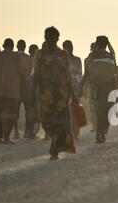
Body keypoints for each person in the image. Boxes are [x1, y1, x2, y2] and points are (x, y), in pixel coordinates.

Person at [33, 27, 77, 159]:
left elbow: (67, 76)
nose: (50, 39)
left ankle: (54, 148)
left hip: (61, 93)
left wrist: (73, 95)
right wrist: (32, 92)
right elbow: (36, 74)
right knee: (46, 121)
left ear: (57, 38)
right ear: (45, 37)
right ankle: (55, 144)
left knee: (59, 121)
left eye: (53, 37)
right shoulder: (39, 54)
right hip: (45, 93)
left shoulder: (63, 54)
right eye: (48, 36)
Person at [80, 35, 117, 143]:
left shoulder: (91, 56)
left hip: (94, 87)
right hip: (108, 87)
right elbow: (113, 74)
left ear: (96, 44)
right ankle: (101, 132)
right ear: (106, 44)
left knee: (98, 109)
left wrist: (81, 87)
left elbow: (86, 72)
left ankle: (100, 132)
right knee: (106, 109)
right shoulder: (110, 56)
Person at [0, 38, 24, 144]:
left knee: (2, 113)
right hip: (13, 90)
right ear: (13, 46)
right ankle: (6, 137)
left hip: (0, 89)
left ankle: (1, 136)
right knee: (11, 114)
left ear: (3, 46)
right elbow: (21, 71)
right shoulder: (17, 56)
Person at [63, 40, 83, 139]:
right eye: (67, 47)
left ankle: (75, 132)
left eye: (70, 47)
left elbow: (80, 75)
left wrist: (81, 87)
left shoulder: (77, 60)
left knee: (75, 110)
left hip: (74, 87)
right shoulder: (60, 60)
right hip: (63, 87)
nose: (69, 49)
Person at [13, 39, 30, 139]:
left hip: (15, 86)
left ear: (16, 46)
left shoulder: (13, 57)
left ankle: (16, 132)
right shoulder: (28, 57)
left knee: (15, 111)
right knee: (28, 110)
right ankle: (27, 132)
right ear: (25, 47)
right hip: (26, 86)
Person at [24, 44, 40, 139]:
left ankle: (28, 132)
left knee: (29, 111)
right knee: (36, 112)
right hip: (36, 89)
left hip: (27, 89)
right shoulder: (38, 62)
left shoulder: (25, 61)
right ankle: (32, 132)